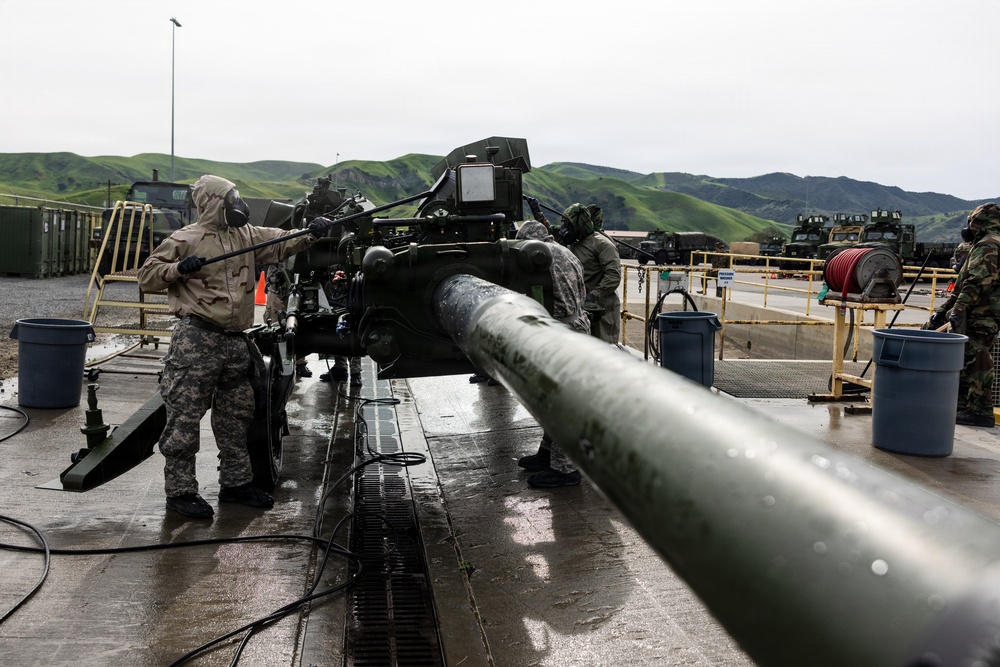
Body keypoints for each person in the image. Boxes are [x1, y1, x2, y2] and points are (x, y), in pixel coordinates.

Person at [137, 174, 336, 518]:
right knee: (184, 417)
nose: (239, 205)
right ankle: (181, 491)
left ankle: (236, 484)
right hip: (197, 340)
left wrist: (311, 233)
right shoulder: (185, 239)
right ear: (214, 203)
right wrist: (177, 269)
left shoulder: (245, 236)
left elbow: (280, 241)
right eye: (232, 199)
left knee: (237, 416)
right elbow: (147, 276)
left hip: (235, 341)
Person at [514, 219, 591, 488]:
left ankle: (565, 470)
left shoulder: (540, 257)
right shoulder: (566, 251)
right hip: (575, 326)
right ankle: (548, 454)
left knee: (562, 401)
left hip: (562, 334)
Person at [927, 203, 1000, 428]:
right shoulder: (981, 244)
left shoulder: (990, 245)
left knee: (977, 357)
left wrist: (957, 311)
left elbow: (977, 281)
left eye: (974, 222)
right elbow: (961, 285)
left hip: (982, 314)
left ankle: (980, 410)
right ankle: (961, 404)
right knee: (965, 359)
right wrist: (941, 313)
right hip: (974, 311)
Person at [558, 203, 622, 345]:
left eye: (568, 225)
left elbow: (613, 275)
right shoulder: (574, 243)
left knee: (604, 349)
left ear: (579, 225)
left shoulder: (602, 244)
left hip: (602, 310)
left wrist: (595, 294)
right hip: (582, 308)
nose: (565, 229)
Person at [262, 262, 312, 378]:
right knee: (276, 325)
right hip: (277, 288)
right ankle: (278, 363)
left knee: (296, 324)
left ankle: (299, 362)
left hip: (296, 283)